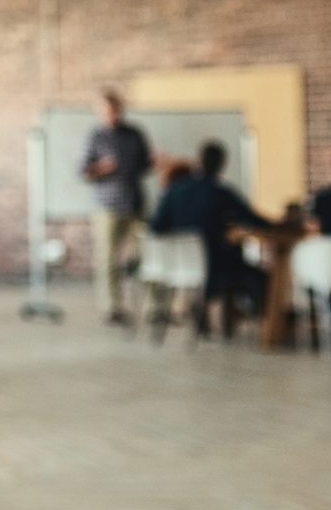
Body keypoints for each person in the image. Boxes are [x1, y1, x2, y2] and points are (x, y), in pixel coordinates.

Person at [148, 140, 270, 336]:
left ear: (198, 161)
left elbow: (155, 227)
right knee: (257, 276)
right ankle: (266, 327)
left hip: (178, 266)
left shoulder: (175, 190)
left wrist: (178, 233)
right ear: (222, 165)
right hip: (214, 269)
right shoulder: (221, 193)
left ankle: (205, 318)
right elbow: (253, 219)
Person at [81, 88, 152, 327]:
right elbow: (84, 172)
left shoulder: (134, 134)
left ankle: (154, 307)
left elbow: (145, 165)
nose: (112, 115)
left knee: (147, 255)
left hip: (135, 204)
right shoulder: (95, 137)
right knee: (108, 260)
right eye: (108, 112)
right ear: (101, 113)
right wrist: (101, 169)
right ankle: (113, 307)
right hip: (107, 207)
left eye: (116, 111)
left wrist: (156, 162)